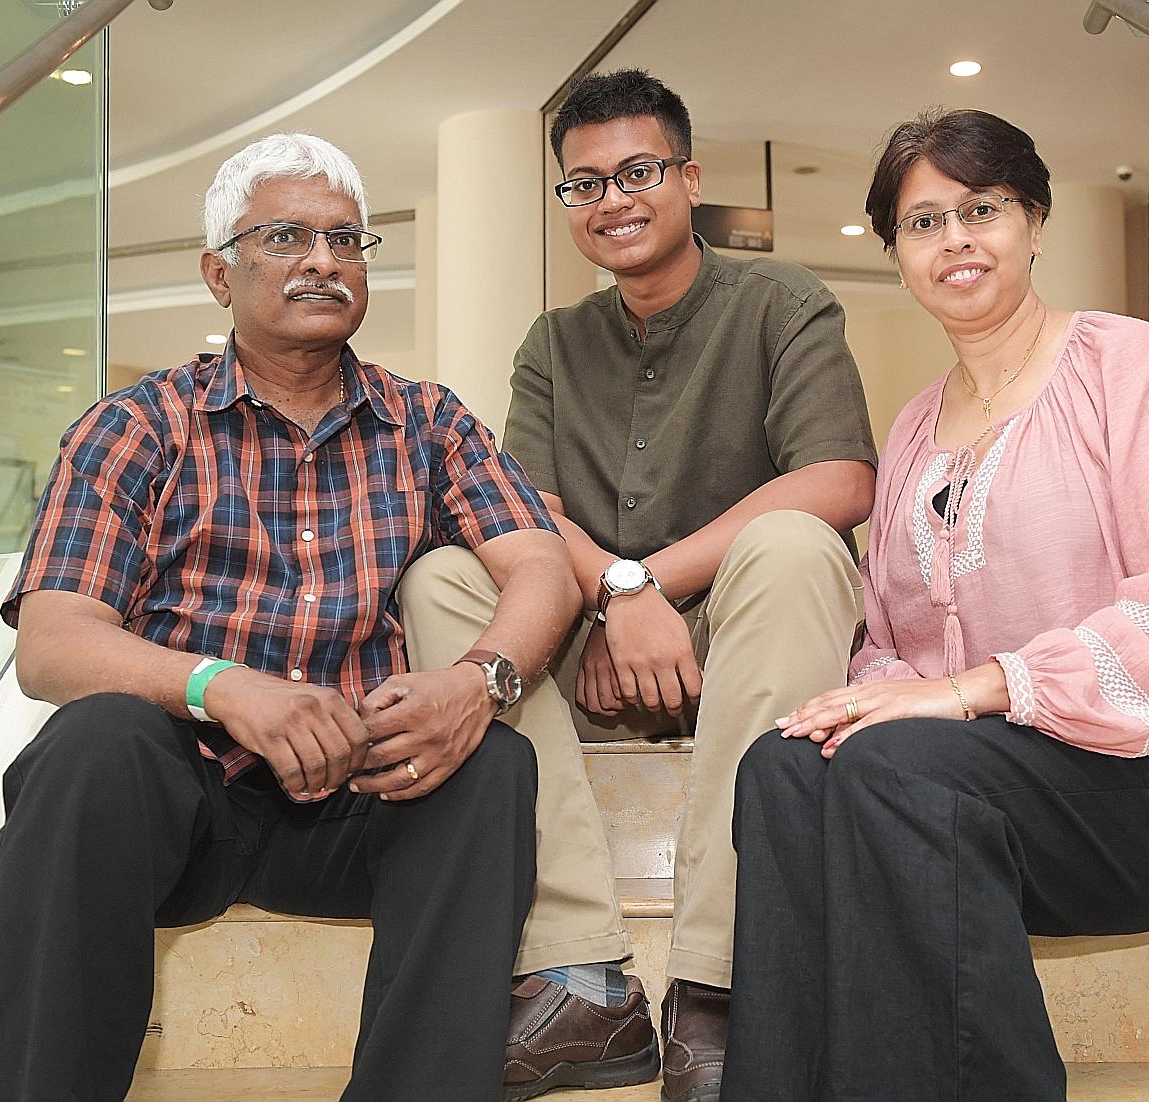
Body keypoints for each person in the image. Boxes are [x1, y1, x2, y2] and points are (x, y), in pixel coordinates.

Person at [0, 133, 581, 1102]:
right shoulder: (137, 424)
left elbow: (541, 562)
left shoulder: (429, 421)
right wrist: (222, 687)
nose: (324, 260)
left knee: (493, 761)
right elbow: (51, 644)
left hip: (359, 797)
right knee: (95, 741)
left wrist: (479, 679)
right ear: (221, 272)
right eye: (288, 236)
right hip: (183, 800)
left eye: (347, 239)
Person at [723, 108, 1149, 1102]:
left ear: (1032, 220)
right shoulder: (911, 431)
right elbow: (888, 641)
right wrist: (880, 696)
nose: (956, 241)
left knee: (899, 765)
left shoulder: (1126, 364)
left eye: (980, 209)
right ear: (895, 252)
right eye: (924, 221)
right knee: (781, 770)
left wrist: (979, 687)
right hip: (986, 788)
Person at [413, 68, 875, 1102]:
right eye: (584, 185)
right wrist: (618, 601)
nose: (612, 200)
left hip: (740, 631)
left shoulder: (783, 299)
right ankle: (583, 978)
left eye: (637, 172)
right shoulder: (553, 342)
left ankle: (717, 983)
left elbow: (840, 477)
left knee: (798, 544)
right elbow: (517, 506)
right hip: (590, 641)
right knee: (446, 574)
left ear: (688, 176)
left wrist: (645, 590)